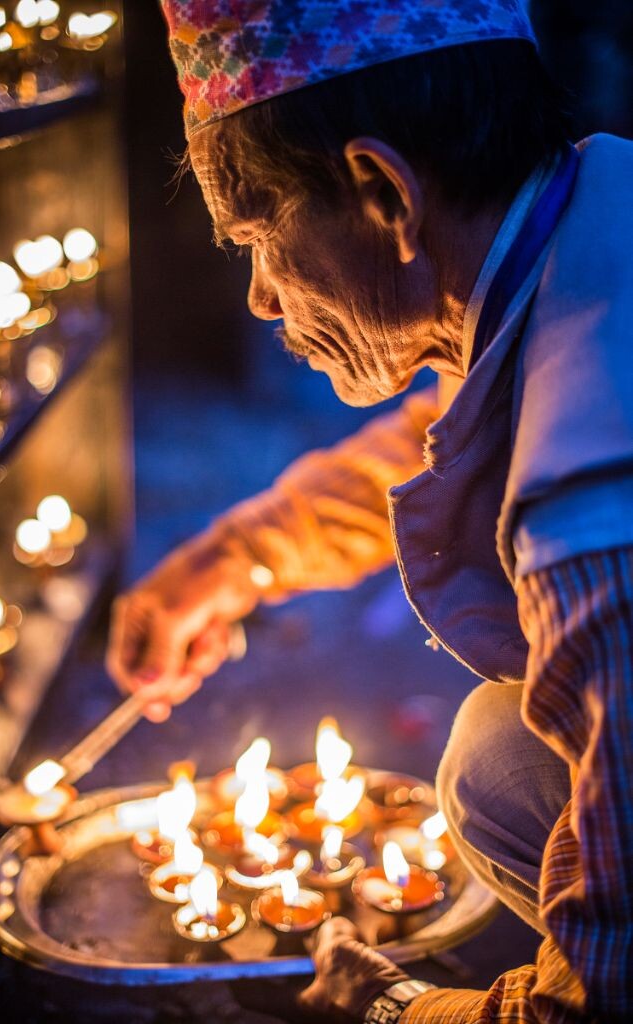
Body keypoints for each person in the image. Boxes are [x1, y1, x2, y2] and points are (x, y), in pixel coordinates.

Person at [106, 2, 633, 1021]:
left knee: (494, 762)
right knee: (500, 752)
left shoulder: (593, 526)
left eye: (257, 234)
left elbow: (595, 1006)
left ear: (383, 193)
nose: (260, 296)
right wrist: (236, 560)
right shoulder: (594, 237)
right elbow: (458, 424)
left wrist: (394, 1009)